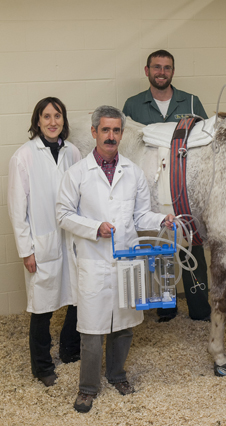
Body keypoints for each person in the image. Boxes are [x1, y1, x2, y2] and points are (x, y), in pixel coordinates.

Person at [56, 105, 174, 413]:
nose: (111, 136)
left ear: (122, 133)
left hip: (126, 259)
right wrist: (95, 227)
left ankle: (117, 374)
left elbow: (140, 215)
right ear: (94, 132)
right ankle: (87, 388)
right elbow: (63, 215)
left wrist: (161, 220)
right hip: (94, 261)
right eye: (105, 130)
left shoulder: (133, 172)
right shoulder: (78, 173)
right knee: (92, 329)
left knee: (124, 325)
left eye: (116, 130)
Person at [123, 49, 211, 322]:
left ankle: (199, 307)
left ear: (173, 71)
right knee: (159, 246)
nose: (162, 72)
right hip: (151, 189)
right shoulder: (133, 105)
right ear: (147, 70)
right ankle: (166, 305)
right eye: (156, 67)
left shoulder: (192, 102)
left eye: (167, 67)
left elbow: (205, 141)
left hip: (185, 189)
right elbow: (128, 148)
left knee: (192, 244)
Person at [7, 97, 81, 387]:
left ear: (64, 119)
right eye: (46, 116)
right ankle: (42, 366)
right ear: (37, 121)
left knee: (76, 298)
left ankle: (70, 350)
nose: (53, 122)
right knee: (42, 307)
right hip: (43, 243)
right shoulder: (23, 156)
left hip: (71, 241)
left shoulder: (73, 152)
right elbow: (16, 208)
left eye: (57, 115)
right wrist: (26, 250)